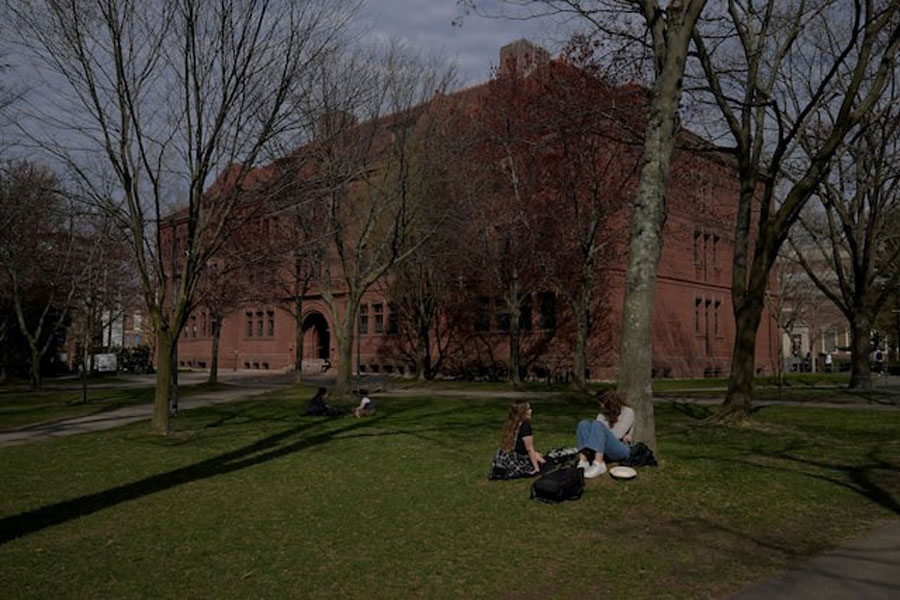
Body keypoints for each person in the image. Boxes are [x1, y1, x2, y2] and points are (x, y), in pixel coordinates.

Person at [575, 390, 633, 478]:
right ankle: (583, 461)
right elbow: (597, 431)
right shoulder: (603, 413)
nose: (601, 406)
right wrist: (599, 433)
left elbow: (618, 435)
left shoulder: (628, 412)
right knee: (584, 423)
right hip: (604, 448)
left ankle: (599, 464)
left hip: (621, 449)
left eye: (601, 403)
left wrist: (601, 432)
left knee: (597, 425)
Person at [490, 401, 545, 479]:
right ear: (523, 413)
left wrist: (536, 455)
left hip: (504, 459)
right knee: (543, 461)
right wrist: (536, 468)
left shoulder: (512, 424)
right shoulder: (525, 426)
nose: (531, 411)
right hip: (515, 460)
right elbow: (529, 449)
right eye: (528, 409)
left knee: (538, 455)